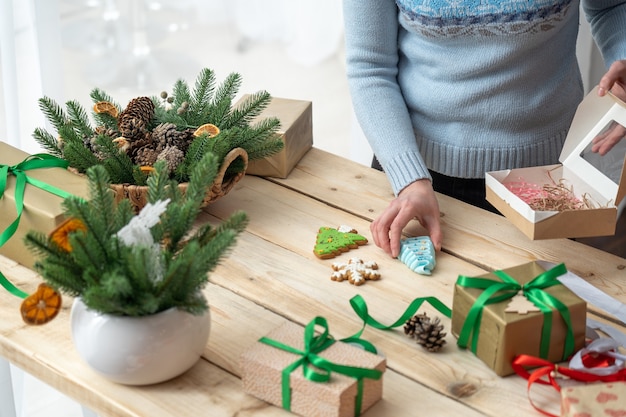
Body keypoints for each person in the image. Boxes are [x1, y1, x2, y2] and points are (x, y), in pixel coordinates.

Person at [342, 0, 626, 258]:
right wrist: (409, 180)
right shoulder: (408, 179)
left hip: (545, 181)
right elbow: (370, 67)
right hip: (410, 176)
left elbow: (612, 6)